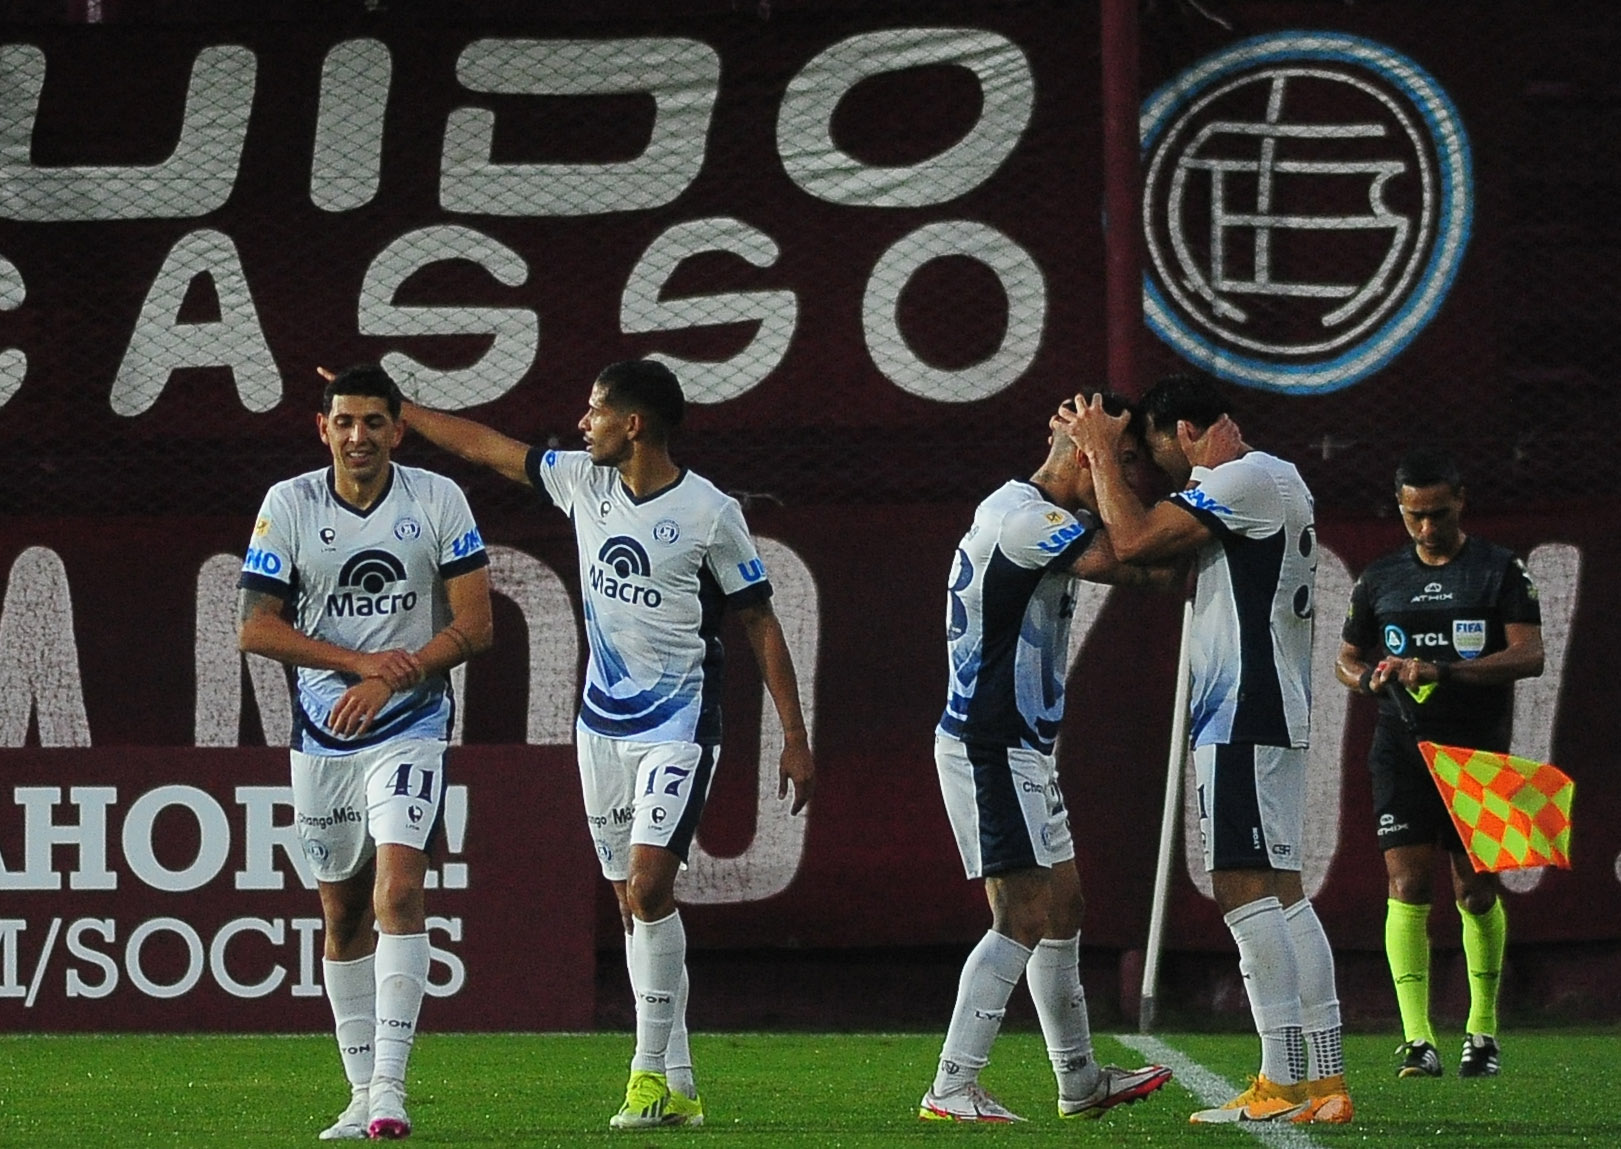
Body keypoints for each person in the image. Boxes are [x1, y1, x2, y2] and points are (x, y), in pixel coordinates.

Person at [399, 359, 815, 1131]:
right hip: (600, 728)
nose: (580, 422)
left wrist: (794, 735)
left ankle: (646, 1075)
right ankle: (681, 1080)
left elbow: (758, 618)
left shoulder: (709, 511)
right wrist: (404, 410)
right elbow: (490, 448)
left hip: (680, 725)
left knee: (652, 886)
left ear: (634, 424)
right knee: (631, 900)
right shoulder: (581, 484)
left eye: (594, 411)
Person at [1059, 374, 1352, 1126]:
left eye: (1152, 451)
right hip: (1268, 703)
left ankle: (1280, 1081)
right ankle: (1323, 1079)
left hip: (1242, 707)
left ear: (1182, 431)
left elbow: (1134, 538)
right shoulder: (1273, 478)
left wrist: (1093, 455)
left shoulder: (1243, 478)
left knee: (1241, 887)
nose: (1153, 470)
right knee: (1282, 891)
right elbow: (1151, 559)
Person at [238, 363, 494, 1141]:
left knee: (398, 891)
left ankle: (390, 1088)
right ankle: (357, 1091)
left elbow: (476, 625)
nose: (358, 436)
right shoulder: (289, 503)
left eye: (373, 422)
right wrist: (356, 666)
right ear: (323, 429)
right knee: (342, 911)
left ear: (398, 428)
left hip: (411, 723)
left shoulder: (436, 499)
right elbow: (255, 626)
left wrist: (395, 679)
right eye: (344, 422)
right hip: (322, 731)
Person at [919, 394, 1175, 1124]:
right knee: (1022, 912)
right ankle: (950, 1084)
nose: (1134, 486)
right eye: (1124, 463)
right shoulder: (1025, 521)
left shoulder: (1029, 509)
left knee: (1062, 905)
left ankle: (1078, 1078)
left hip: (1018, 744)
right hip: (989, 742)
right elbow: (1135, 562)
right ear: (1088, 454)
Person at [1335, 447, 1543, 1079]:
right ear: (1400, 510)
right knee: (1407, 885)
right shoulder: (1379, 578)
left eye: (1438, 515)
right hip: (1400, 749)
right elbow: (1345, 658)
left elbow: (1529, 656)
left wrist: (1443, 669)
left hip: (1476, 753)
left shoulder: (1499, 571)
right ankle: (1418, 1040)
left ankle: (1481, 1030)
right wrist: (1368, 677)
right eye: (1414, 516)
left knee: (1476, 891)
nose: (1427, 529)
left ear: (1461, 501)